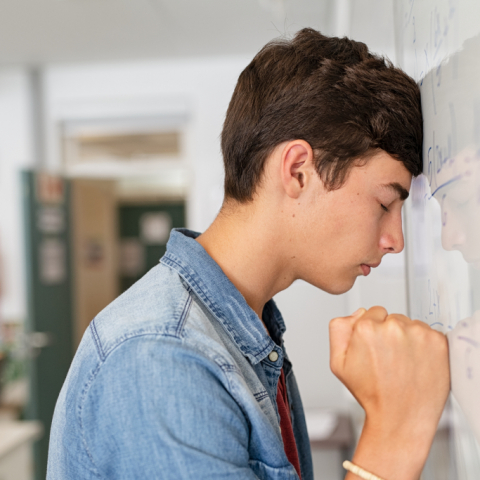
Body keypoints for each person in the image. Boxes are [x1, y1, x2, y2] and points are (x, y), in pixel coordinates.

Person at [47, 28, 450, 480]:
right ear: (298, 170)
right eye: (383, 203)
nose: (395, 239)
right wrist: (394, 435)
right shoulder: (162, 357)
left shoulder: (245, 332)